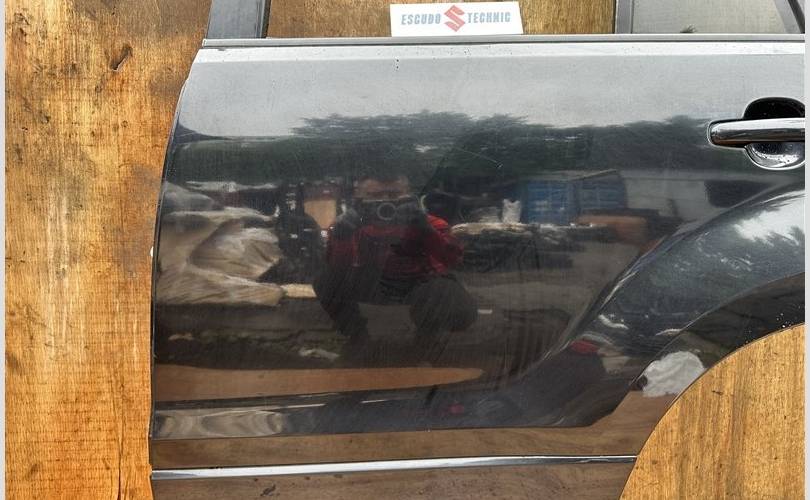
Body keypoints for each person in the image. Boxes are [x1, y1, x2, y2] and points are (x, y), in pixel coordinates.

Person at [313, 174, 477, 353]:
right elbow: (336, 267)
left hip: (418, 283)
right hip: (374, 284)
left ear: (410, 197)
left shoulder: (428, 223)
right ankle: (357, 337)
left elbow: (454, 260)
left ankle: (427, 338)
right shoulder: (350, 226)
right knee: (326, 280)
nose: (385, 202)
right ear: (358, 199)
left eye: (394, 195)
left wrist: (425, 230)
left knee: (447, 295)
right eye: (375, 196)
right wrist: (342, 237)